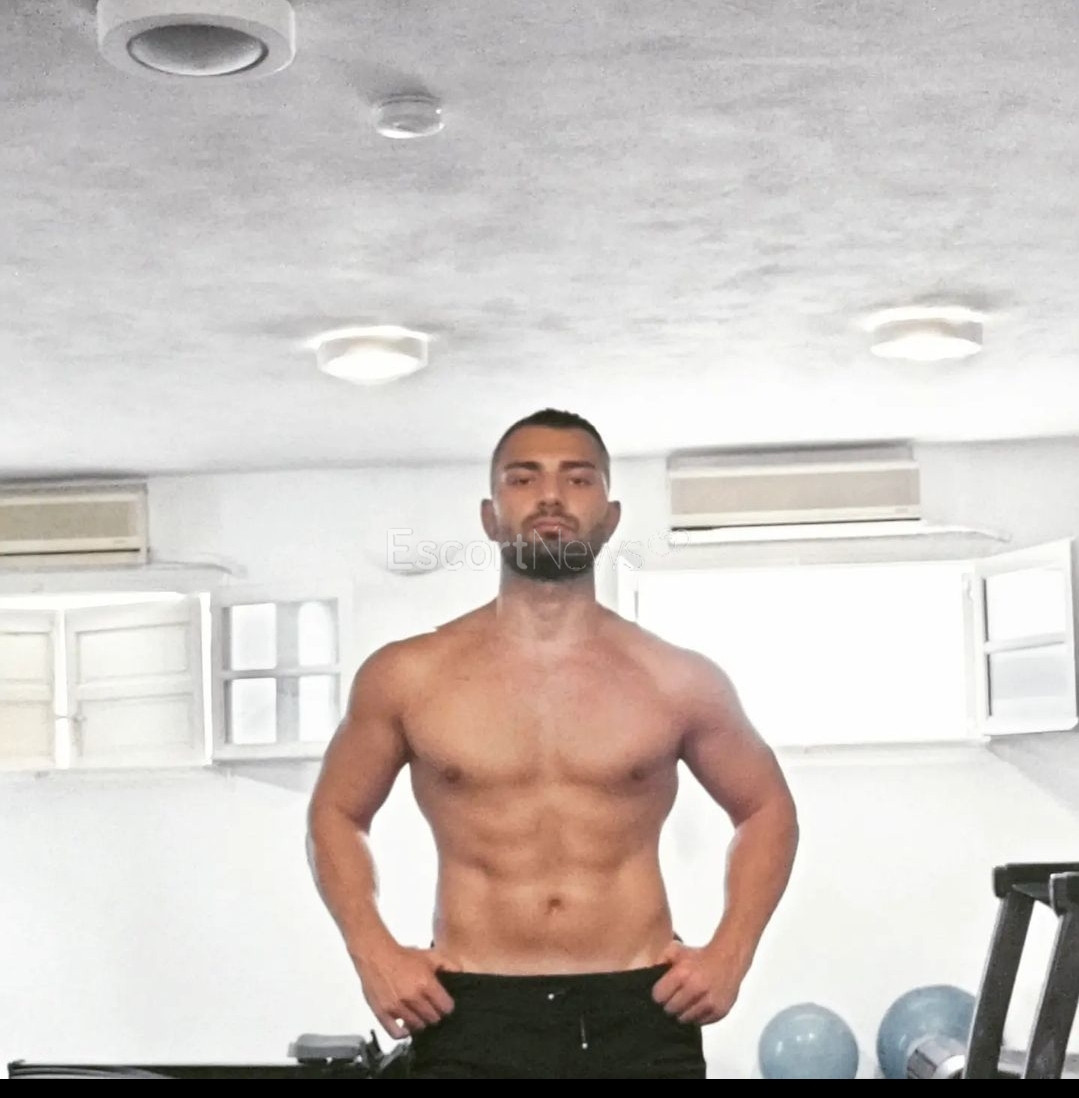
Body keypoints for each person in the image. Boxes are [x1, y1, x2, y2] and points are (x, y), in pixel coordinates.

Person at [305, 409, 799, 1079]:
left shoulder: (677, 678)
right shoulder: (408, 675)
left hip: (639, 1010)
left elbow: (767, 808)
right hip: (472, 1011)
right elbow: (335, 812)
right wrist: (373, 950)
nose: (550, 496)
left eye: (578, 479)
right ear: (489, 516)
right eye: (523, 478)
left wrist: (731, 952)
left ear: (610, 516)